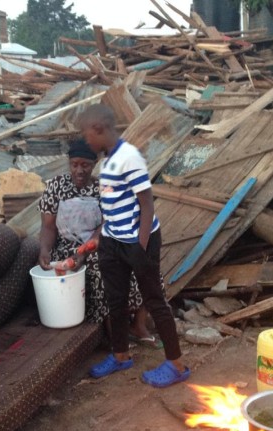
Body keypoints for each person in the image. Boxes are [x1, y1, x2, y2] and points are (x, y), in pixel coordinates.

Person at [76, 104, 190, 387]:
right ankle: (121, 355)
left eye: (86, 134)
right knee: (115, 300)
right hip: (113, 241)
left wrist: (140, 246)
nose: (85, 140)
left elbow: (147, 203)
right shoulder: (107, 160)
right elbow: (113, 204)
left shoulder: (130, 157)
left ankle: (176, 364)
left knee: (154, 300)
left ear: (100, 129)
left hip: (138, 241)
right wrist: (102, 238)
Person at [38, 139, 159, 346]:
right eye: (74, 164)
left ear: (94, 164)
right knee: (103, 269)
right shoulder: (56, 187)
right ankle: (115, 332)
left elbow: (106, 226)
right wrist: (44, 249)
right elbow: (48, 227)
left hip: (101, 242)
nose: (79, 170)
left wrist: (86, 251)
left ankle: (138, 324)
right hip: (68, 249)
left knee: (142, 264)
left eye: (85, 165)